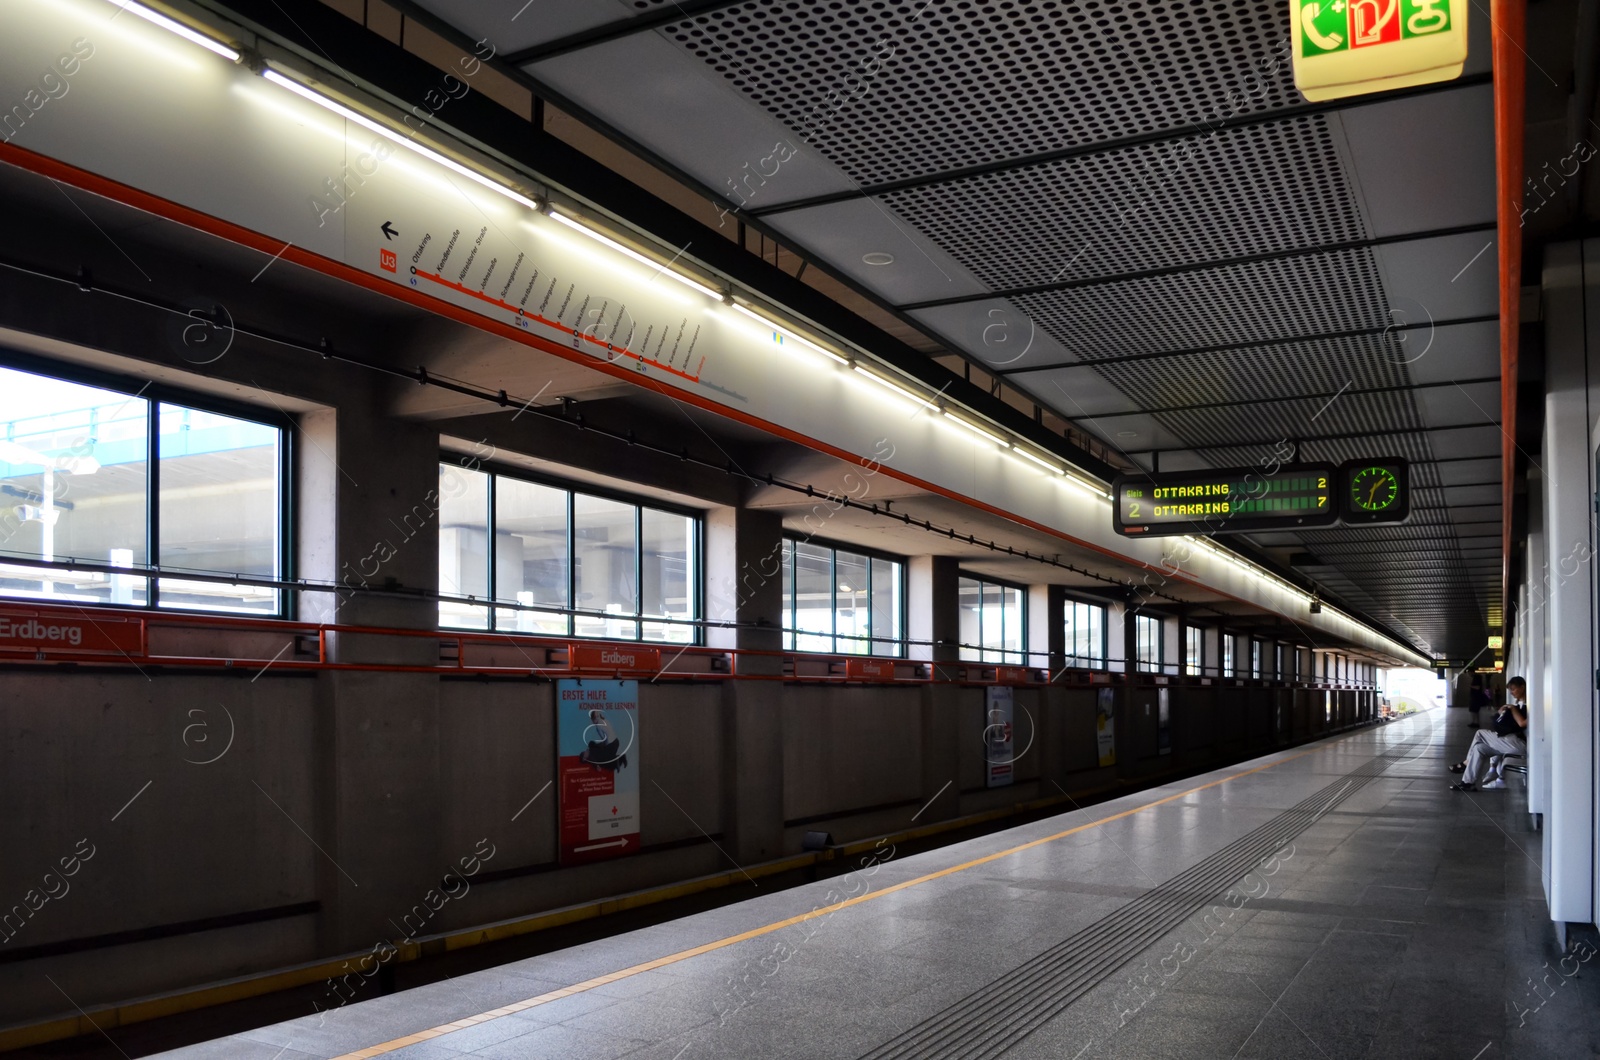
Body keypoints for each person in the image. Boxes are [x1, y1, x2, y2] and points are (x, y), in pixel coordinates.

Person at [1450, 676, 1527, 792]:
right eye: (1510, 690)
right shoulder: (1522, 704)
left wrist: (1511, 707)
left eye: (1513, 689)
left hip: (1519, 745)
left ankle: (1466, 763)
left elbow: (1521, 723)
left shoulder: (1531, 704)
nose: (1512, 692)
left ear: (1523, 687)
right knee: (1479, 748)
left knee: (1480, 733)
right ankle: (1468, 783)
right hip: (1512, 742)